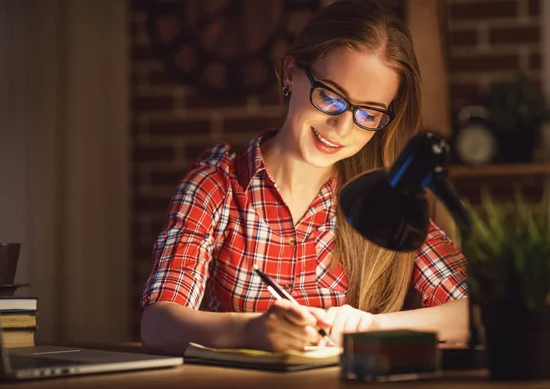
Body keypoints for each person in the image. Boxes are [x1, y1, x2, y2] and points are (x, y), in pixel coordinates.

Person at [139, 0, 469, 356]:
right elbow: (157, 325)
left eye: (369, 114)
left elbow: (472, 312)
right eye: (330, 97)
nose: (342, 128)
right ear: (290, 74)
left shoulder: (383, 199)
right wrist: (252, 330)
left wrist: (372, 327)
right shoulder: (218, 185)